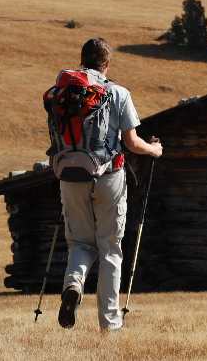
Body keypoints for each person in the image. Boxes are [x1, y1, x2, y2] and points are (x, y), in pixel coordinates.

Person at [55, 38, 162, 332]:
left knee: (79, 243)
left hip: (70, 175)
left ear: (82, 60)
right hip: (109, 177)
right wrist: (154, 150)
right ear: (107, 64)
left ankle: (73, 285)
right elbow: (131, 142)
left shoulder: (64, 92)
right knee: (110, 250)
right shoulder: (118, 93)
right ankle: (110, 324)